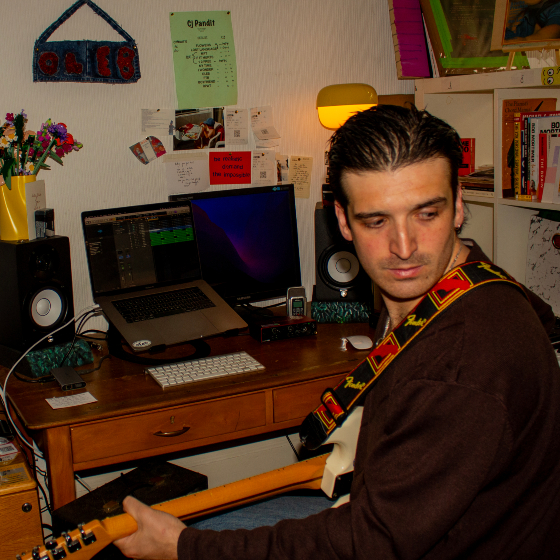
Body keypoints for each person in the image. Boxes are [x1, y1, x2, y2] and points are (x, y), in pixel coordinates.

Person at [115, 105, 560, 559]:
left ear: (459, 205)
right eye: (377, 221)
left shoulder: (460, 363)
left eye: (426, 214)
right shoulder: (469, 283)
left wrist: (182, 548)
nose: (403, 248)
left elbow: (369, 545)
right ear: (342, 220)